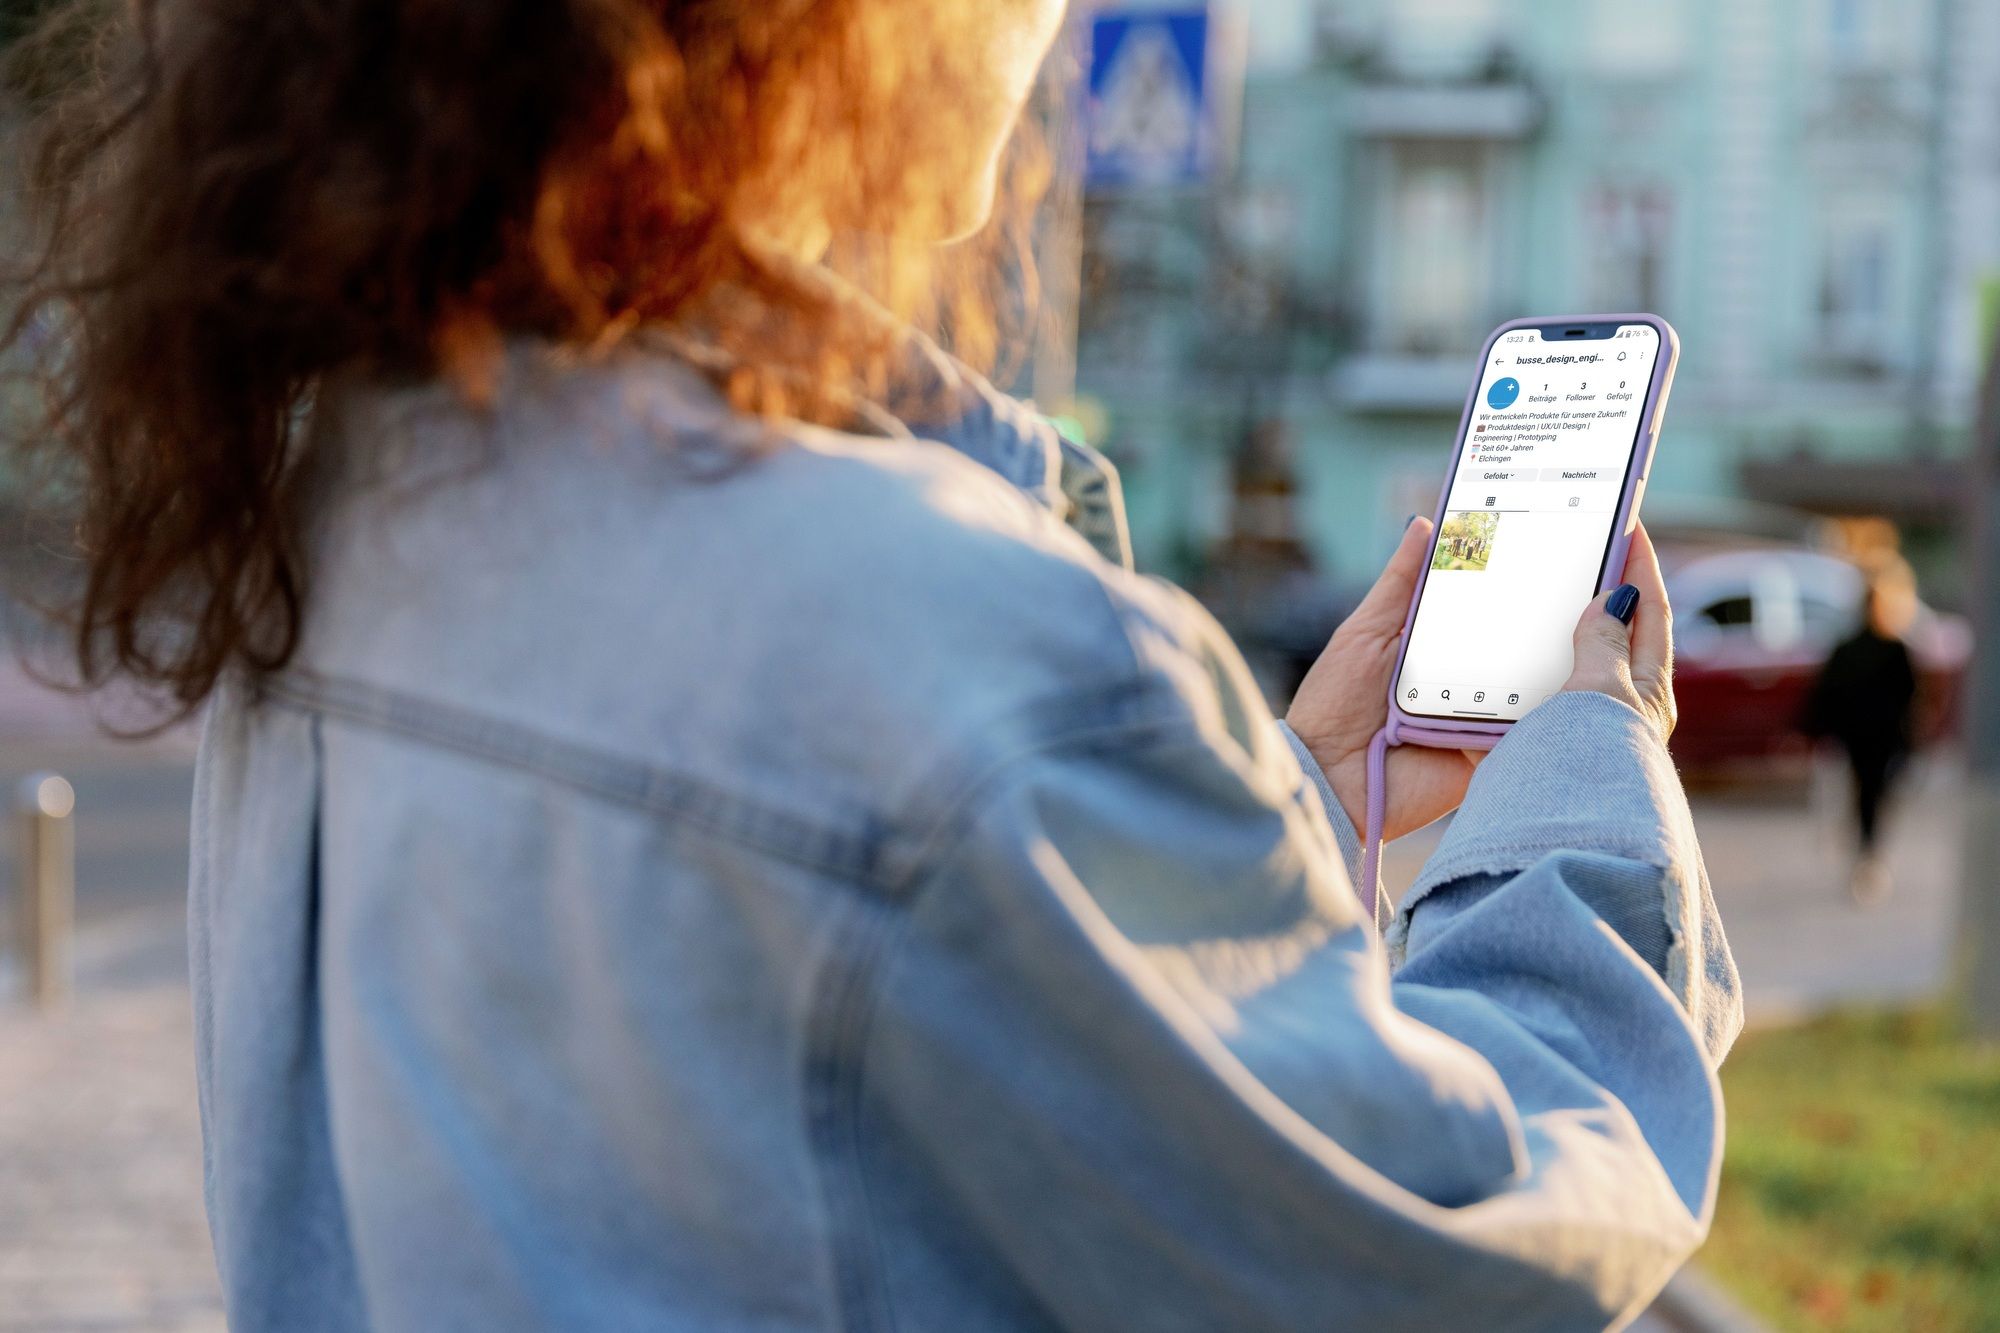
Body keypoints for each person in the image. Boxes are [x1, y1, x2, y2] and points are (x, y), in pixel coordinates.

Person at [4, 2, 1738, 1329]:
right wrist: (1583, 793)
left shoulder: (352, 490)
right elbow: (1450, 1251)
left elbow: (809, 1029)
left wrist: (1257, 801)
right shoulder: (944, 665)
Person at [1804, 567, 1922, 904]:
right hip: (1871, 739)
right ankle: (1867, 853)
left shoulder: (1871, 649)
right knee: (1871, 795)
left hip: (1866, 738)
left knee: (1866, 794)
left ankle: (1866, 853)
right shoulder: (1889, 649)